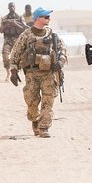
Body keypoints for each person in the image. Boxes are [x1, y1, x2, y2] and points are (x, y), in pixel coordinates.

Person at [9, 7, 67, 138]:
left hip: (48, 74)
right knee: (32, 102)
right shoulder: (26, 35)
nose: (48, 19)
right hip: (32, 74)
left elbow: (62, 50)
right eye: (46, 17)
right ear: (38, 18)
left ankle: (44, 127)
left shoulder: (52, 35)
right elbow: (15, 53)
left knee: (48, 101)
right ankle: (34, 120)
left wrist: (61, 62)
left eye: (48, 17)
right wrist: (13, 70)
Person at [0, 2, 28, 82]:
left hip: (17, 39)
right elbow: (1, 30)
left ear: (15, 7)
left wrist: (15, 24)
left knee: (21, 57)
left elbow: (25, 28)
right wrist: (7, 25)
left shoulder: (19, 17)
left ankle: (19, 72)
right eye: (10, 6)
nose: (12, 7)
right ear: (8, 8)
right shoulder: (4, 18)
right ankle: (8, 73)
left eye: (13, 6)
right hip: (8, 39)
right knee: (5, 56)